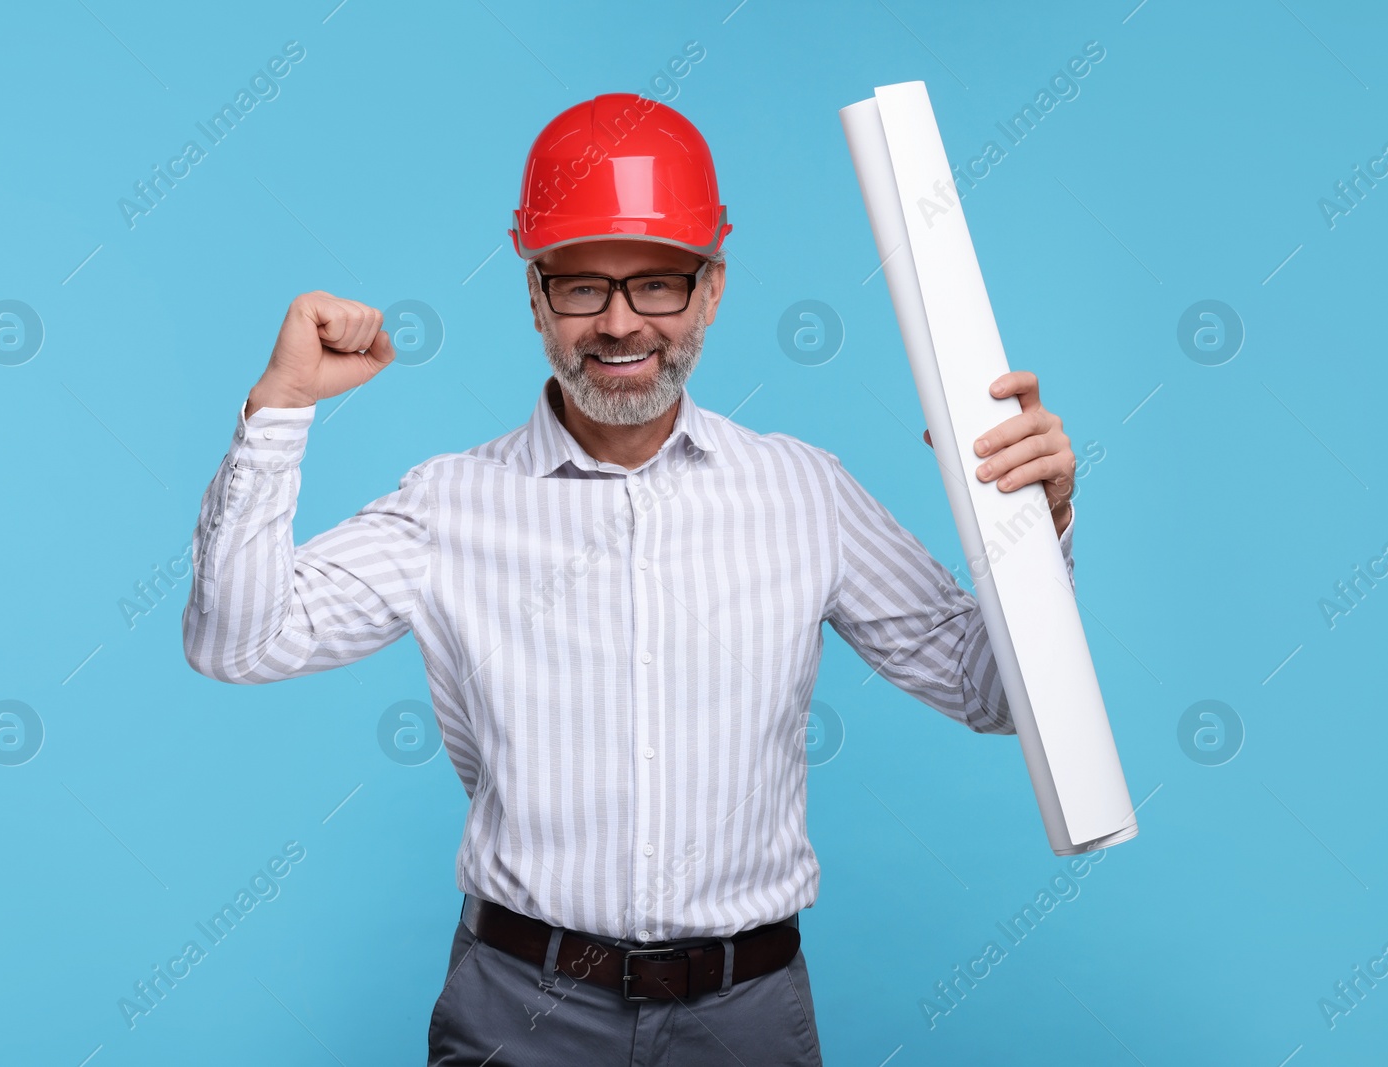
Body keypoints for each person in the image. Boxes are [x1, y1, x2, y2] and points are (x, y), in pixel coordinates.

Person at [182, 93, 1078, 1066]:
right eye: (580, 287)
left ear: (711, 289)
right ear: (533, 297)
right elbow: (237, 641)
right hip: (517, 1015)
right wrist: (278, 411)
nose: (618, 323)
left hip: (746, 1018)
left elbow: (991, 692)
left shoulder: (802, 490)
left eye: (655, 283)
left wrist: (1037, 525)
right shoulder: (450, 504)